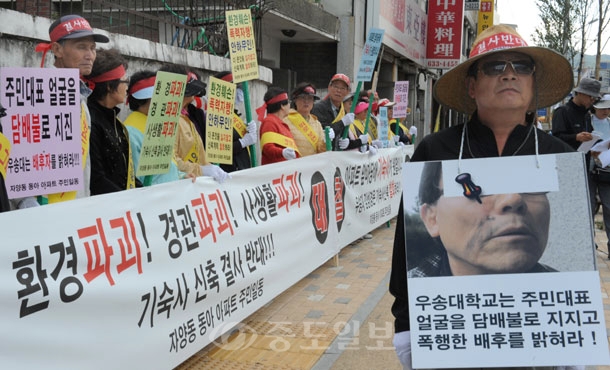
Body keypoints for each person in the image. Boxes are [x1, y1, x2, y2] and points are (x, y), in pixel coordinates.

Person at [389, 24, 575, 369]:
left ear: (533, 85)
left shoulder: (557, 154)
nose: (509, 75)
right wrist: (407, 326)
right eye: (494, 67)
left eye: (521, 67)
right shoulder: (436, 149)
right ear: (472, 86)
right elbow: (403, 251)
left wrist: (577, 331)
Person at [408, 161, 554, 277]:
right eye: (478, 187)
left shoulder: (573, 296)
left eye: (530, 183)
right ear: (432, 219)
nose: (513, 199)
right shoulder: (408, 299)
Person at [35, 14, 109, 202]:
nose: (90, 55)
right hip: (48, 205)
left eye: (93, 48)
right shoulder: (38, 93)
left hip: (75, 206)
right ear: (57, 49)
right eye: (81, 47)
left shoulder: (80, 95)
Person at [159, 64, 229, 182]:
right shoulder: (166, 120)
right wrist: (201, 170)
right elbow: (172, 162)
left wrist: (209, 168)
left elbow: (200, 155)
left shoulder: (186, 118)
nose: (193, 95)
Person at [86, 48, 142, 195]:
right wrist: (130, 199)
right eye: (125, 81)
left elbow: (125, 174)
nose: (127, 87)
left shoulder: (115, 122)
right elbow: (96, 179)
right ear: (110, 87)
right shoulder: (90, 122)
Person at [552, 77, 602, 222]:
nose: (592, 101)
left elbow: (589, 136)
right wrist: (576, 137)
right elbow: (555, 139)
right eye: (590, 97)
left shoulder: (586, 115)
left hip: (583, 165)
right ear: (580, 94)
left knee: (579, 205)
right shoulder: (562, 112)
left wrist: (595, 147)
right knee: (564, 205)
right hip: (564, 166)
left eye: (594, 99)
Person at [123, 70, 184, 185]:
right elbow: (135, 179)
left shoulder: (159, 123)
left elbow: (168, 167)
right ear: (142, 100)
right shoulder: (131, 131)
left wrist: (182, 176)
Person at [189, 71, 257, 173]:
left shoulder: (233, 114)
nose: (239, 92)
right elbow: (215, 151)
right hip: (227, 173)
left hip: (242, 170)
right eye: (236, 88)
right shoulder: (213, 116)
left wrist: (247, 130)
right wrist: (242, 142)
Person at [284, 82, 333, 156]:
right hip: (294, 164)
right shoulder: (286, 120)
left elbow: (321, 151)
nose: (306, 101)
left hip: (313, 165)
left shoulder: (316, 123)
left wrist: (326, 141)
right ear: (295, 100)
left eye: (310, 98)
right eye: (303, 98)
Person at [589, 94, 610, 257]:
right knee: (589, 208)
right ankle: (590, 243)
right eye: (603, 108)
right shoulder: (586, 120)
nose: (606, 111)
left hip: (606, 171)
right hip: (589, 170)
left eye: (608, 108)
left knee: (608, 208)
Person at [257, 87, 299, 165]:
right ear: (282, 106)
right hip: (275, 173)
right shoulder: (269, 122)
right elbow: (267, 147)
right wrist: (282, 152)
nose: (290, 105)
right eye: (288, 102)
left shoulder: (281, 123)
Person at [311, 73, 355, 147]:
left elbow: (343, 134)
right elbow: (324, 132)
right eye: (335, 86)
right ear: (329, 87)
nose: (338, 90)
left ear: (347, 92)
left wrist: (348, 142)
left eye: (342, 88)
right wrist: (342, 123)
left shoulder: (343, 110)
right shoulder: (318, 108)